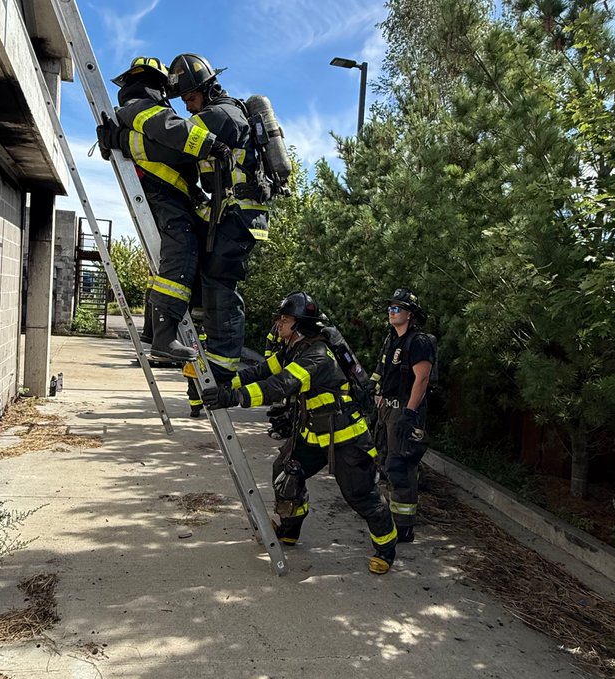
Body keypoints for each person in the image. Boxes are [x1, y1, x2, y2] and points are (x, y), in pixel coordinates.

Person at [202, 291, 399, 574]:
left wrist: (232, 399)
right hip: (314, 433)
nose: (278, 324)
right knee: (285, 472)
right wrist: (225, 384)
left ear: (300, 325)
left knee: (360, 495)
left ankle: (386, 548)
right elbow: (260, 371)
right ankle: (289, 529)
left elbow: (278, 386)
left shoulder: (316, 357)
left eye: (285, 319)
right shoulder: (293, 349)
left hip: (345, 437)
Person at [100, 56, 228, 363]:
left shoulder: (132, 112)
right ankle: (164, 337)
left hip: (169, 195)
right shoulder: (141, 107)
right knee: (181, 251)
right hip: (162, 194)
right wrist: (211, 144)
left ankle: (158, 329)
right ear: (155, 84)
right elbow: (173, 133)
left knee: (186, 253)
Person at [166, 54, 269, 382]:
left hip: (244, 215)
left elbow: (177, 138)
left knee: (220, 279)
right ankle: (208, 346)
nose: (187, 107)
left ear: (207, 90)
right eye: (183, 101)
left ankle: (223, 367)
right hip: (230, 213)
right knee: (201, 267)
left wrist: (130, 135)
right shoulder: (215, 113)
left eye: (190, 98)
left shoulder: (222, 114)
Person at [371, 288, 435, 543]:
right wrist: (375, 395)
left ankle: (404, 526)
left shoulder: (418, 342)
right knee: (385, 461)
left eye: (397, 308)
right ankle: (391, 515)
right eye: (390, 307)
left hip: (404, 410)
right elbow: (382, 373)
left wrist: (409, 413)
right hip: (387, 408)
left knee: (401, 466)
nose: (391, 312)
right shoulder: (391, 340)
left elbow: (422, 379)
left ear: (409, 314)